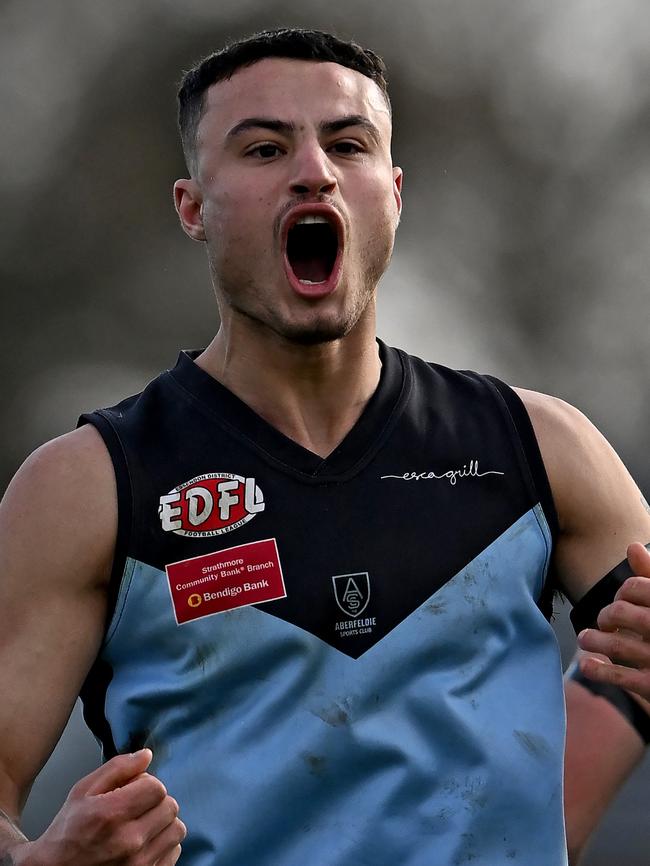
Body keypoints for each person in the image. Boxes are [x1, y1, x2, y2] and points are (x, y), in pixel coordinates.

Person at [1, 27, 649, 866]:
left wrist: (535, 834)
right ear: (193, 208)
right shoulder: (91, 485)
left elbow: (636, 675)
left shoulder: (539, 446)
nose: (315, 170)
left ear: (394, 193)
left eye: (348, 144)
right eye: (266, 148)